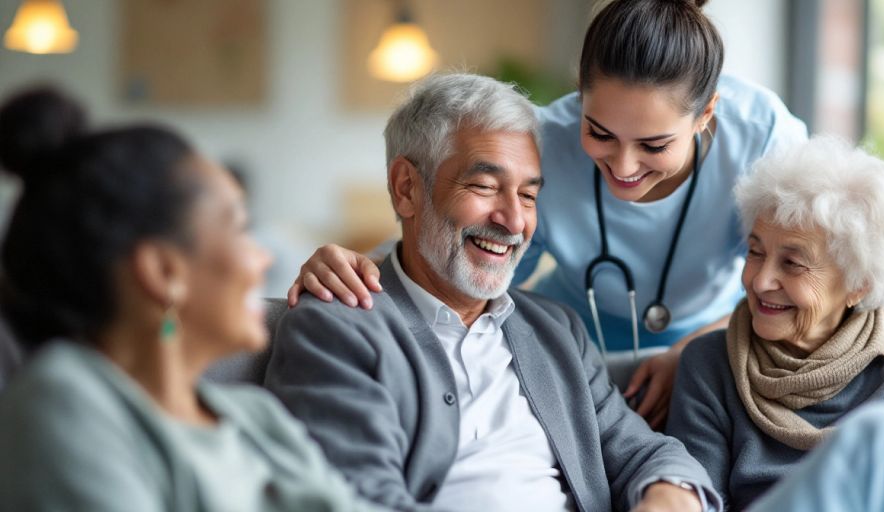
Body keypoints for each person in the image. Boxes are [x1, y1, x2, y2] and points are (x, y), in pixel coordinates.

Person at [284, 0, 807, 429]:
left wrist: (693, 351)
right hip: (577, 343)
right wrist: (356, 274)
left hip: (719, 335)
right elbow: (468, 264)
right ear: (580, 93)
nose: (623, 167)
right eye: (599, 132)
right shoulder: (542, 143)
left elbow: (793, 281)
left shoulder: (762, 137)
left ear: (706, 114)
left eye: (654, 145)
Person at [263, 73, 720, 512]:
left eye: (527, 195)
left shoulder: (556, 330)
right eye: (484, 186)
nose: (515, 222)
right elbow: (359, 498)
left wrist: (671, 495)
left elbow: (643, 452)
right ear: (407, 189)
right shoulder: (336, 326)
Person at [0, 87, 381, 511]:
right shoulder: (64, 404)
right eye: (239, 228)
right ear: (163, 272)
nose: (263, 257)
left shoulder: (257, 419)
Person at [665, 137, 884, 511]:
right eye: (755, 252)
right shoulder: (710, 364)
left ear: (859, 285)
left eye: (792, 264)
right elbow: (697, 503)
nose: (760, 281)